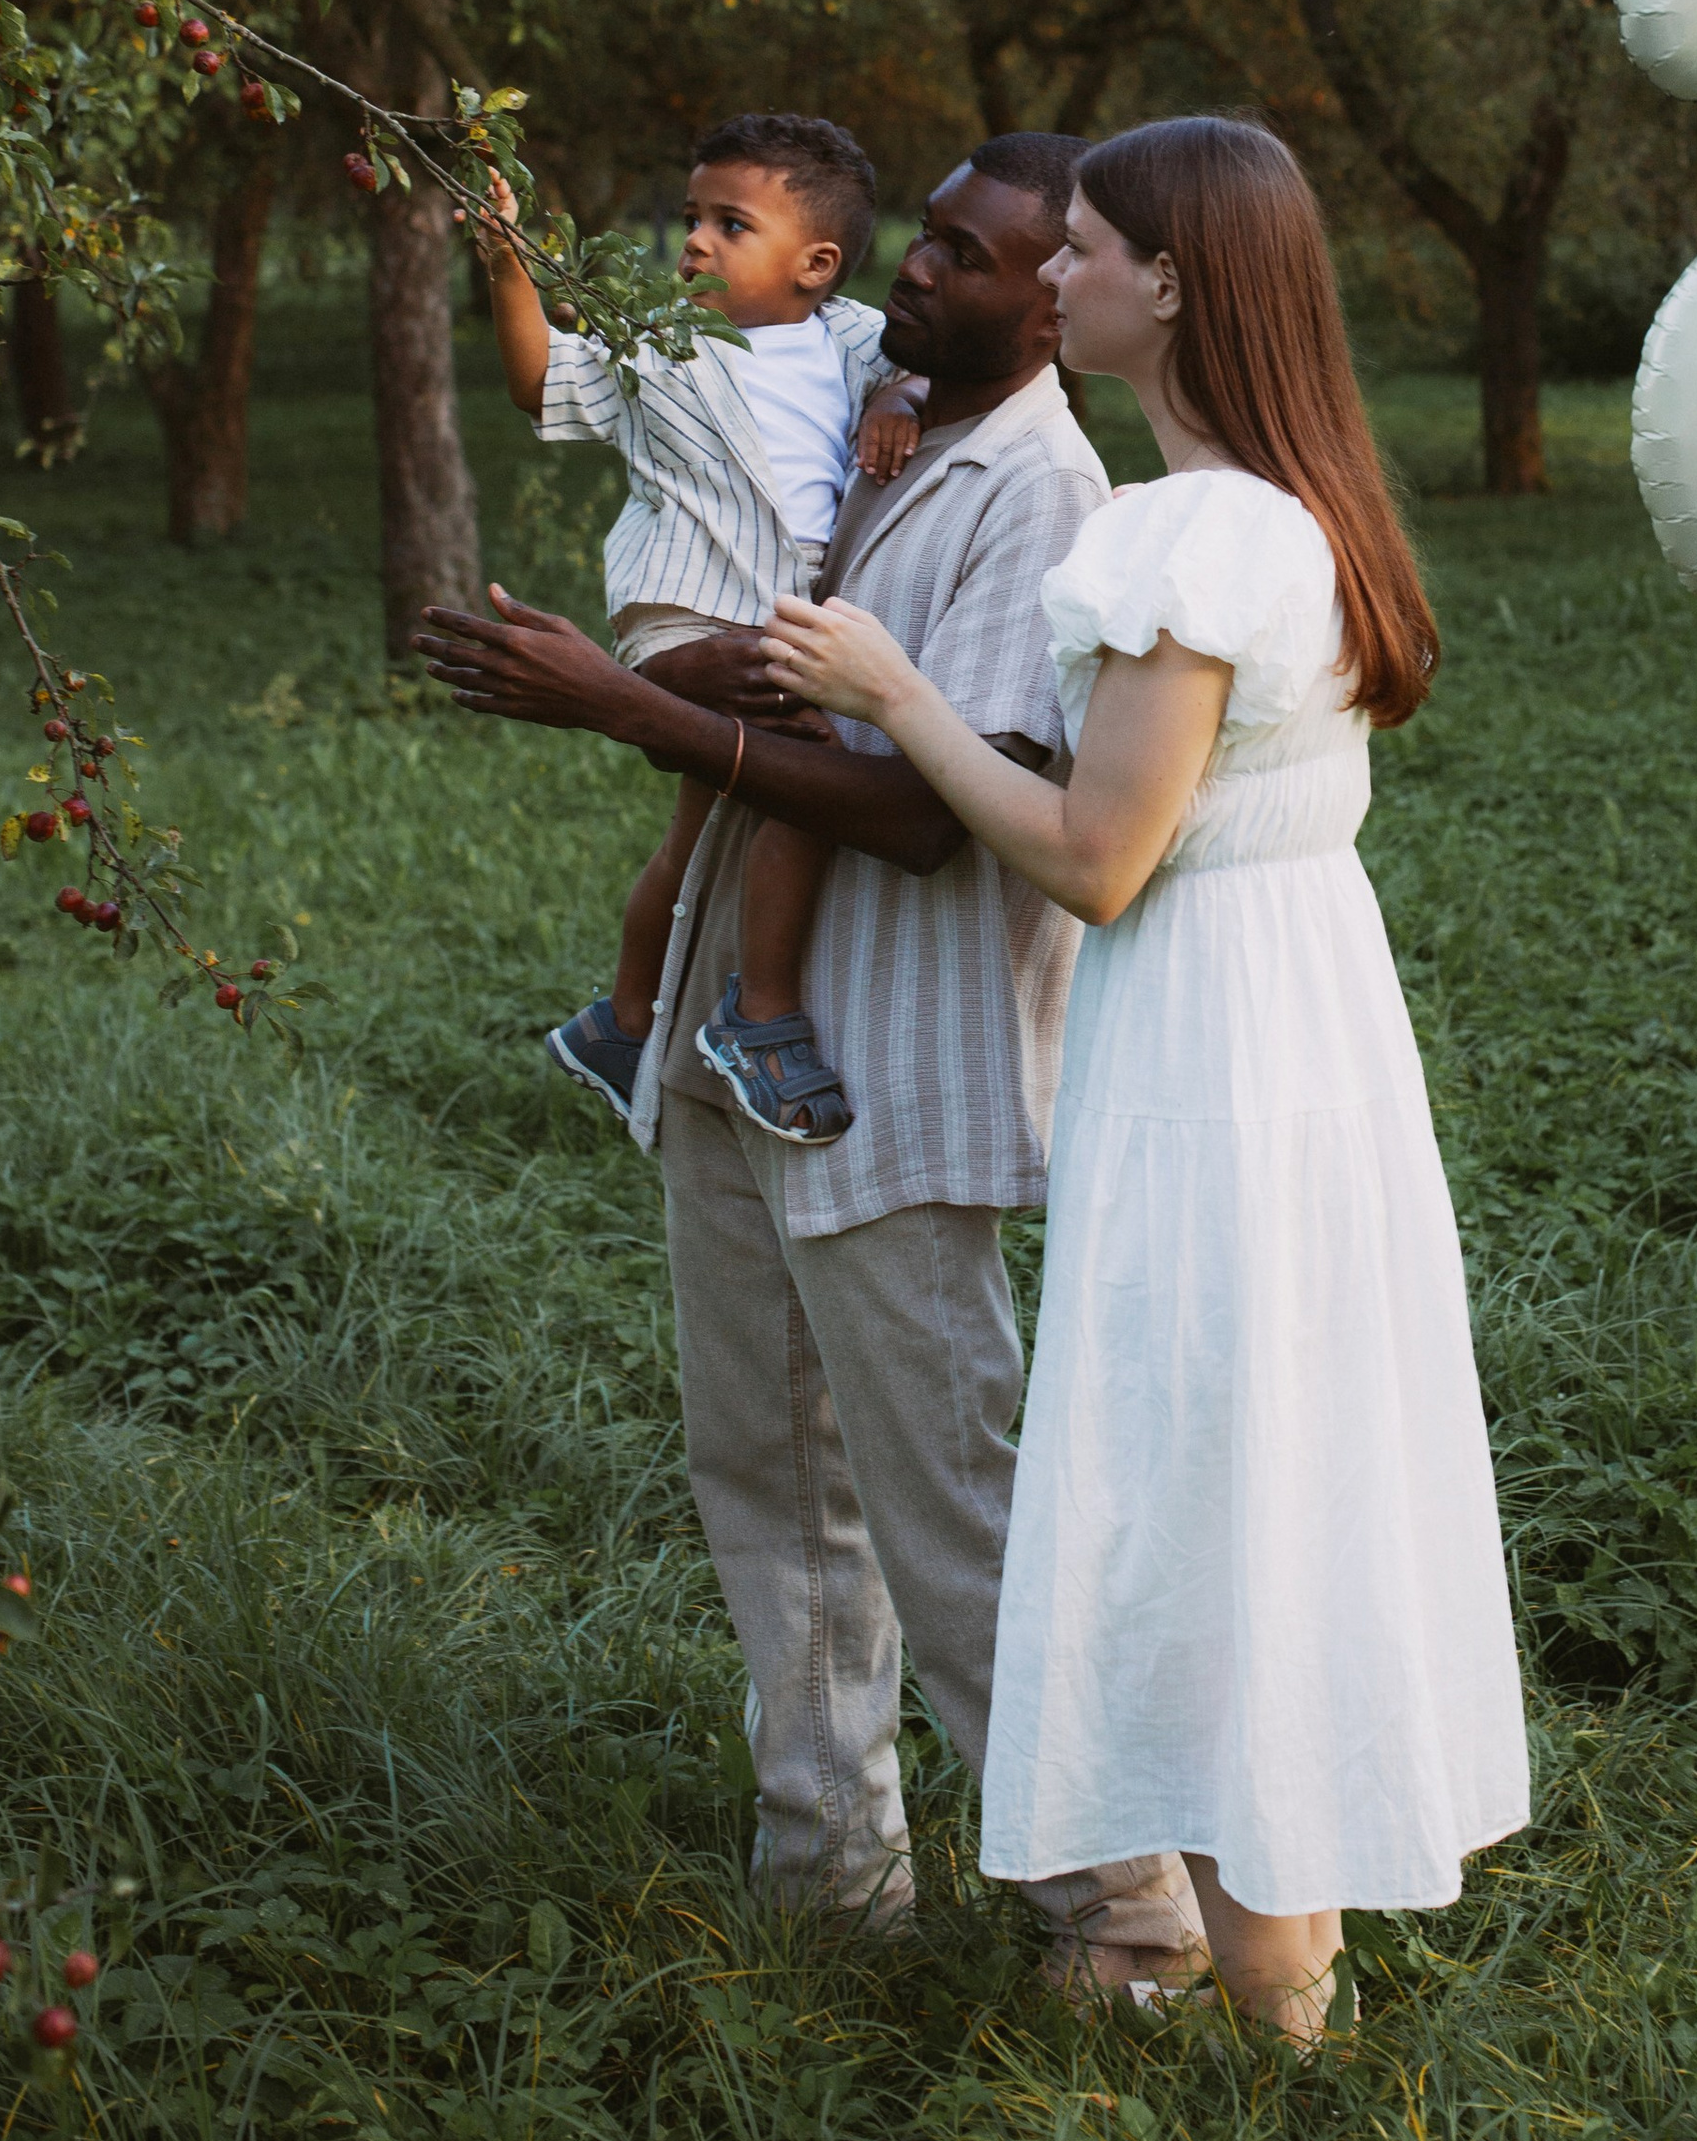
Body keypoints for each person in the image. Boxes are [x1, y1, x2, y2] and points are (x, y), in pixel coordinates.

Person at [760, 116, 1530, 2041]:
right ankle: (1291, 1982)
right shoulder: (1300, 505)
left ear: (1170, 283)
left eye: (1088, 248)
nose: (1060, 276)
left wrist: (894, 693)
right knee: (1284, 1453)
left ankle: (1264, 1998)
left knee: (1212, 1467)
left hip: (1212, 1044)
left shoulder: (1183, 534)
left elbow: (1101, 855)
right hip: (1306, 1020)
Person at [420, 136, 1207, 1991]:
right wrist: (619, 681)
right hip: (734, 1041)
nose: (914, 279)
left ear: (1053, 307)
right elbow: (763, 649)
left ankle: (1131, 1930)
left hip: (892, 1076)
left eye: (966, 255)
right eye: (920, 243)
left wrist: (618, 698)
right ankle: (829, 1873)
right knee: (766, 1477)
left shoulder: (1046, 497)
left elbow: (935, 816)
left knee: (954, 1515)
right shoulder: (883, 422)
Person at [477, 110, 922, 1146]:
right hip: (688, 615)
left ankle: (623, 1021)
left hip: (784, 613)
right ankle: (760, 1014)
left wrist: (903, 391)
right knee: (806, 785)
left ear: (815, 264)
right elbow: (538, 378)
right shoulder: (658, 349)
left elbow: (918, 365)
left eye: (730, 225)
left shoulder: (853, 339)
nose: (693, 242)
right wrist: (504, 260)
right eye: (691, 218)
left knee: (698, 830)